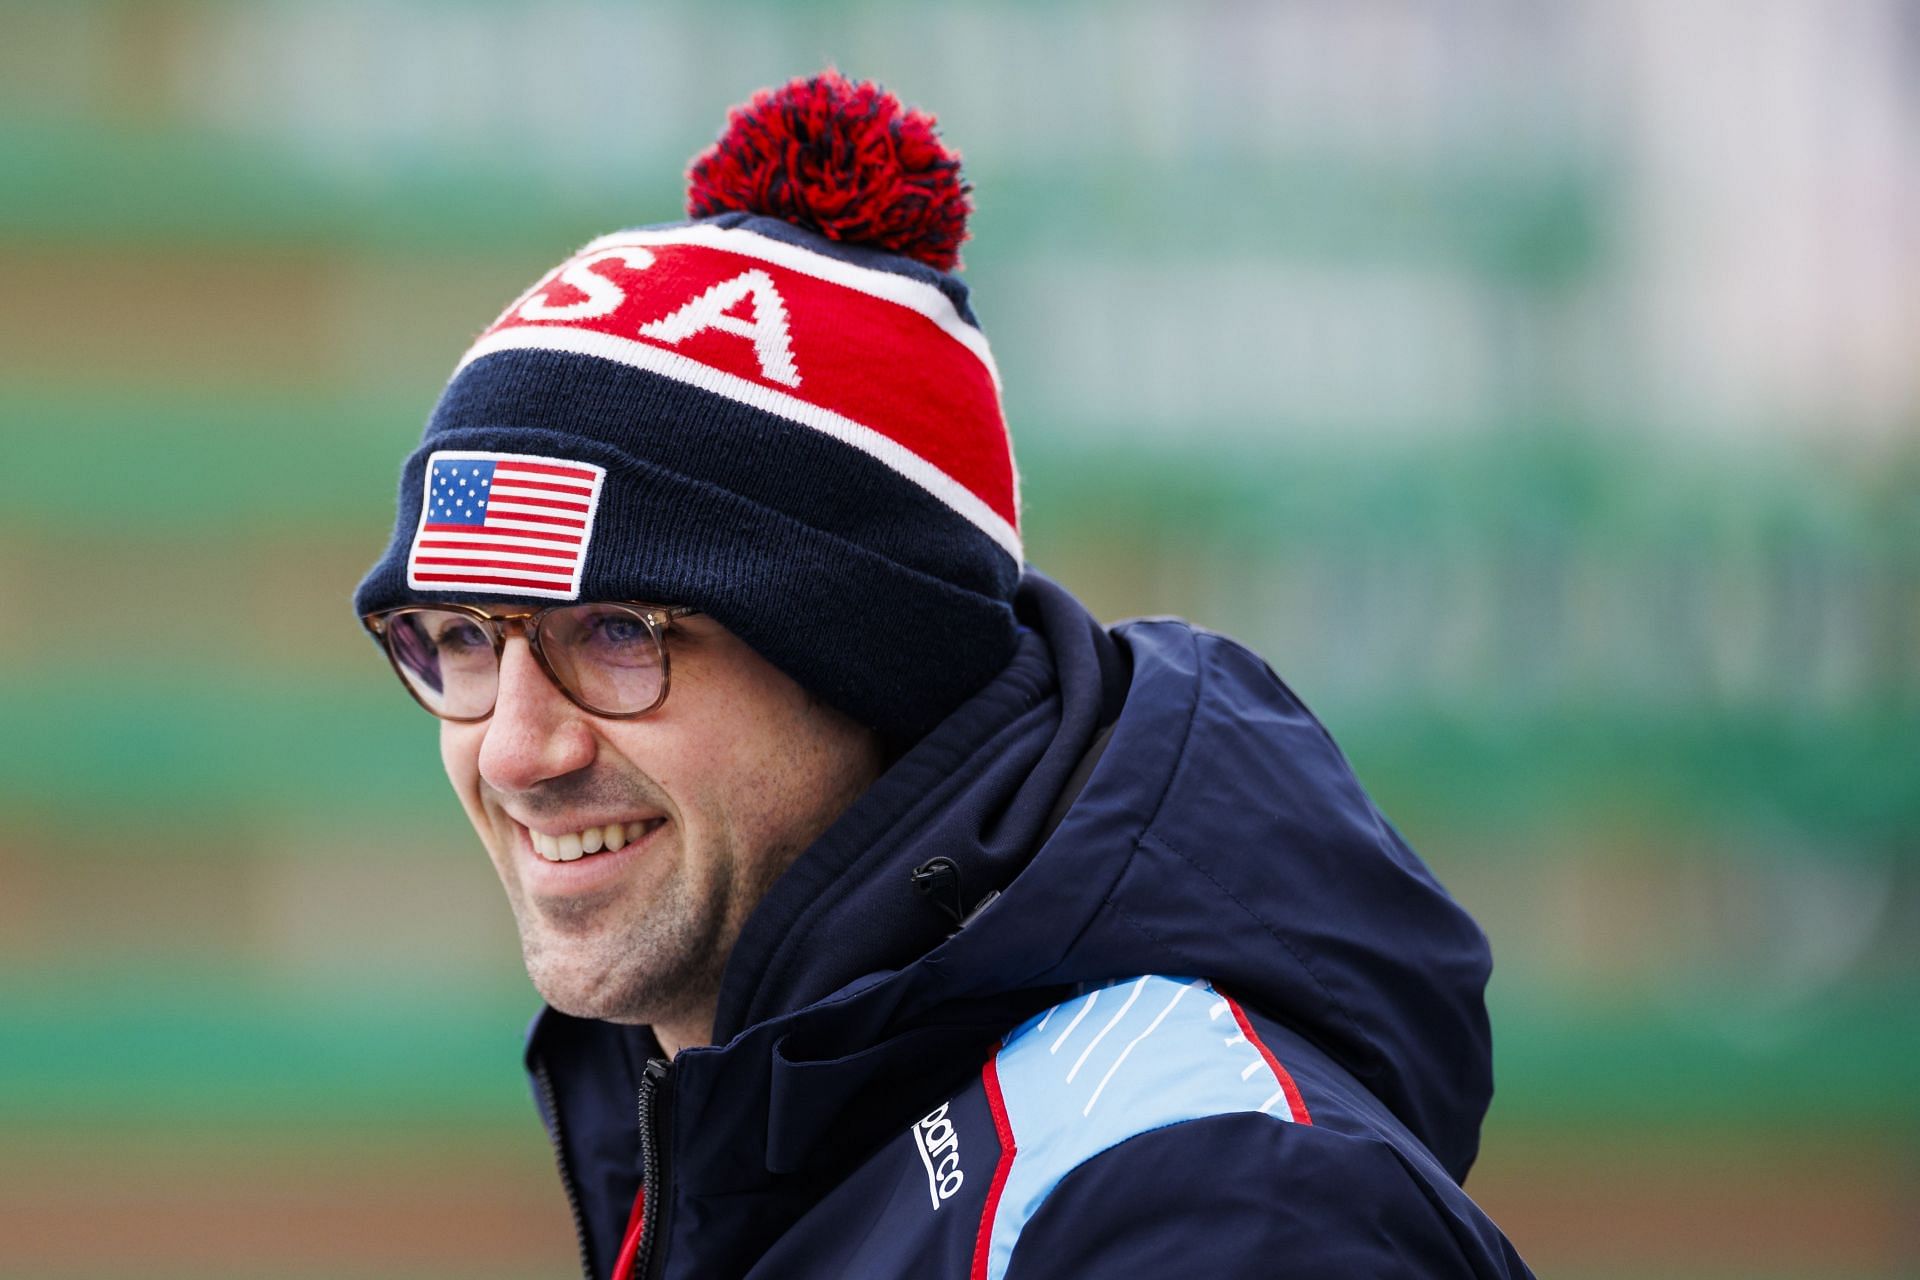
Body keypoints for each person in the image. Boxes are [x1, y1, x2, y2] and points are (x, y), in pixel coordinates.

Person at [356, 70, 1535, 1280]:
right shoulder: (751, 1143)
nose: (514, 748)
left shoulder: (1199, 1198)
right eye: (458, 639)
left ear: (872, 656)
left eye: (616, 634)